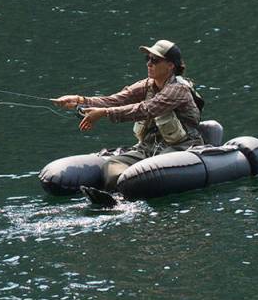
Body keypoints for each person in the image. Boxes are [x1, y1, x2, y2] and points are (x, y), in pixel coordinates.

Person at [50, 39, 205, 197]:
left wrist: (104, 113)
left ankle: (124, 198)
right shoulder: (147, 85)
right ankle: (116, 198)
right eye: (148, 59)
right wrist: (80, 100)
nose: (149, 64)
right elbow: (115, 100)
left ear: (171, 65)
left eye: (155, 60)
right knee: (113, 164)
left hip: (181, 147)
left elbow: (146, 109)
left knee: (151, 168)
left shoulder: (178, 90)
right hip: (149, 148)